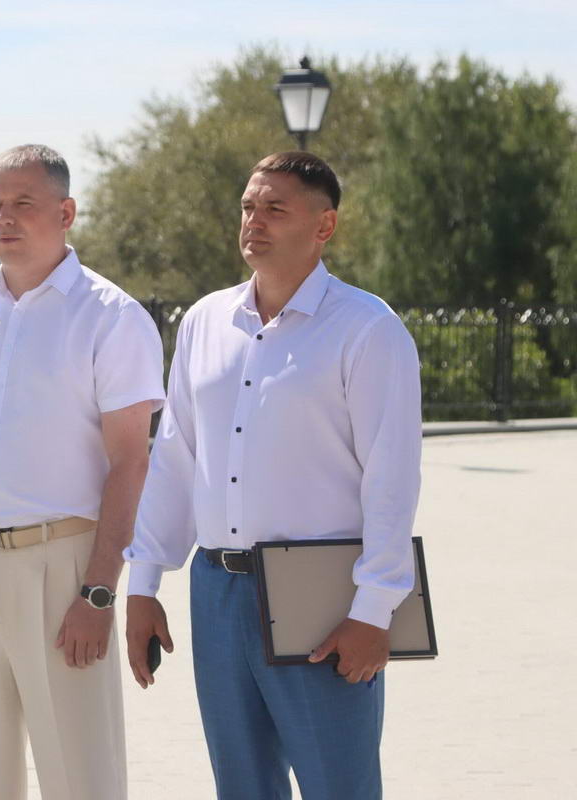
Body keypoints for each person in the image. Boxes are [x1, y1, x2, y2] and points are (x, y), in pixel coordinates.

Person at [125, 151, 422, 799]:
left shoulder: (369, 330)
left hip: (322, 595)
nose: (253, 221)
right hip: (216, 590)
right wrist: (143, 584)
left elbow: (392, 480)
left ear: (324, 226)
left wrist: (375, 611)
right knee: (242, 786)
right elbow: (175, 459)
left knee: (339, 786)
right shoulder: (204, 322)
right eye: (248, 207)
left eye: (275, 209)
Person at [0, 144, 165, 800]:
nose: (5, 218)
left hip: (63, 569)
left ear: (66, 213)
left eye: (23, 203)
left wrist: (99, 592)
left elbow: (131, 462)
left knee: (81, 779)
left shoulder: (112, 317)